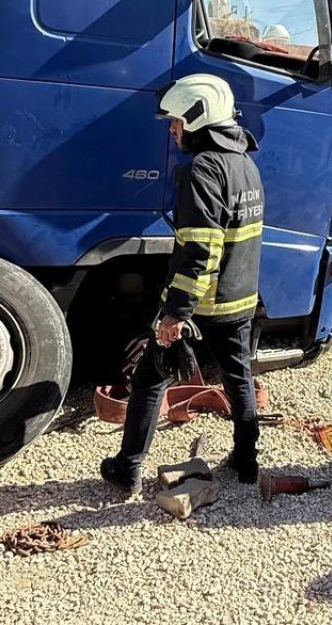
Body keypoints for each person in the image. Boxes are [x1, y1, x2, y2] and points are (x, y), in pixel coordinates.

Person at [100, 73, 265, 495]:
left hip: (201, 303)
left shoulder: (201, 170)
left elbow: (200, 249)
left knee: (150, 379)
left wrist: (176, 313)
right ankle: (246, 463)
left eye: (176, 121)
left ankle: (127, 468)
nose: (172, 129)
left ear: (197, 118)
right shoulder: (245, 164)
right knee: (239, 378)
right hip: (240, 298)